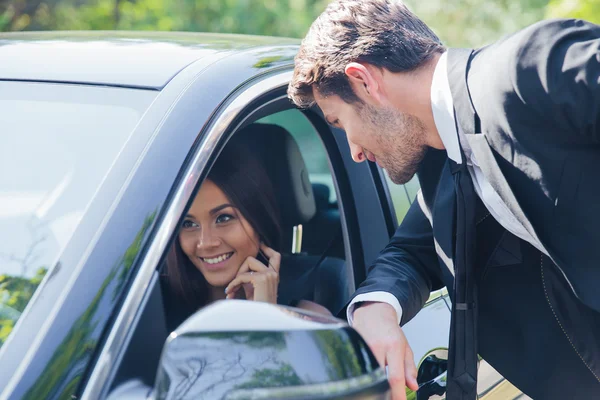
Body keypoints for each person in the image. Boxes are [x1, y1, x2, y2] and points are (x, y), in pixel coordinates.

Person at [287, 1, 600, 399]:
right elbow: (411, 251)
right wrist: (375, 310)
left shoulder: (530, 68)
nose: (355, 152)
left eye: (339, 122)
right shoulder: (442, 161)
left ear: (364, 81)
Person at [162, 128, 330, 331]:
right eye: (188, 224)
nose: (205, 242)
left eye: (224, 218)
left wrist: (266, 317)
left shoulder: (310, 322)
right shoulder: (146, 309)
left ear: (259, 221)